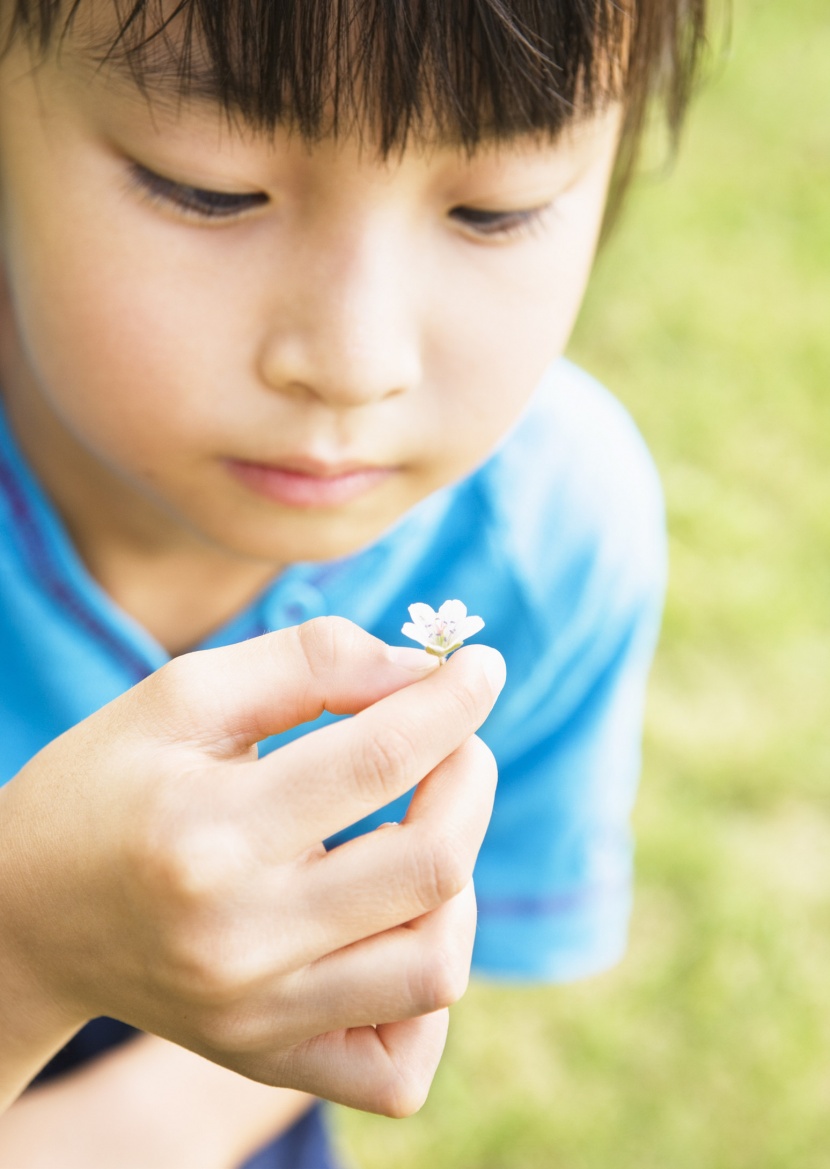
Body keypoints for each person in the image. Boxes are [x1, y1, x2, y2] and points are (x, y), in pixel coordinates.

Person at [0, 0, 706, 1164]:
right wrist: (27, 947)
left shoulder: (543, 537)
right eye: (206, 186)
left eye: (496, 207)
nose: (352, 360)